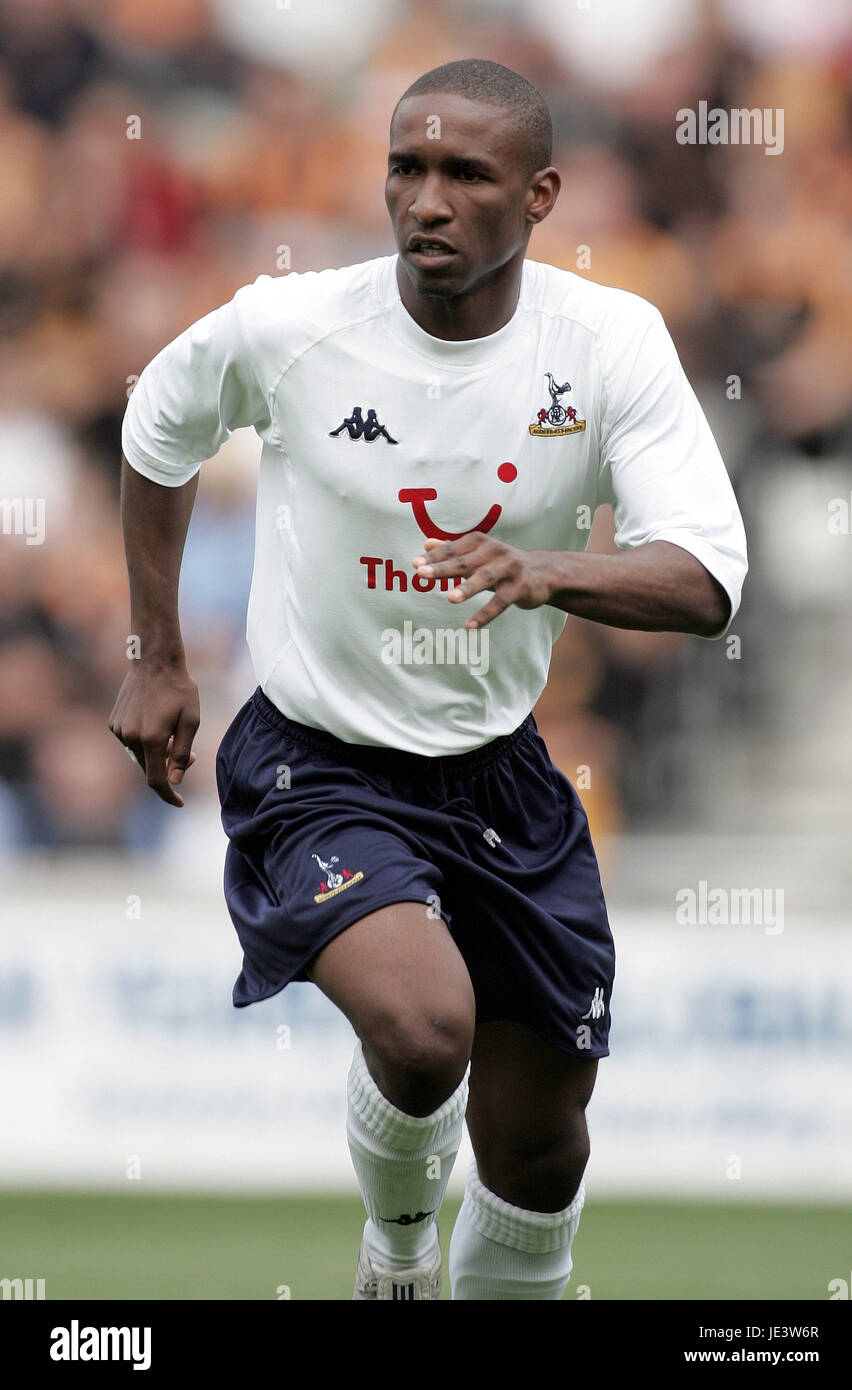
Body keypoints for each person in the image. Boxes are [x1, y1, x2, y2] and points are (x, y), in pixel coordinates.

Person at [109, 58, 747, 1300]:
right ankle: (395, 1249)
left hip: (498, 770)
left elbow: (706, 575)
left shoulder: (608, 342)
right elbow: (158, 427)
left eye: (466, 174)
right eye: (407, 167)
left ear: (541, 194)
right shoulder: (293, 328)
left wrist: (548, 568)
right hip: (317, 757)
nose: (426, 201)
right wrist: (156, 656)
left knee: (537, 1155)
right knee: (421, 1029)